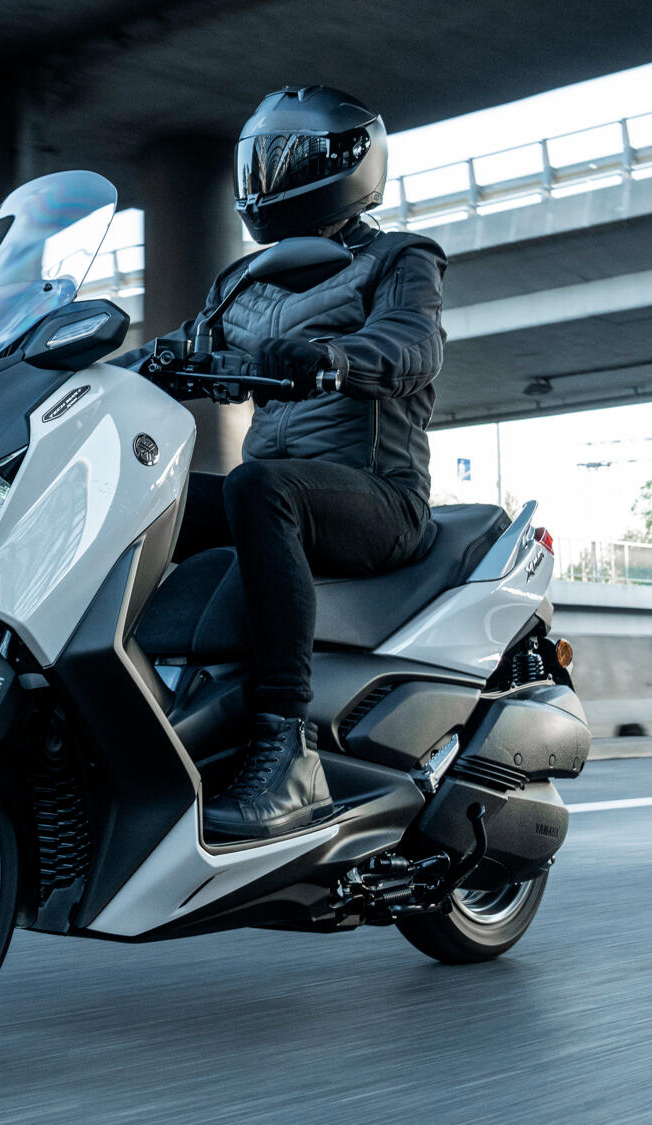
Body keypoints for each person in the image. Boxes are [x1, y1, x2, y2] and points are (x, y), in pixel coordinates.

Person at [119, 86, 448, 839]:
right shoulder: (242, 282)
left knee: (258, 485)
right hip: (274, 499)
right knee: (144, 494)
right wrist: (79, 374)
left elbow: (413, 345)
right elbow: (176, 351)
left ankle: (288, 751)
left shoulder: (400, 258)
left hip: (379, 500)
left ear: (346, 165)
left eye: (287, 161)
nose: (267, 178)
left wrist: (333, 356)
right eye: (261, 162)